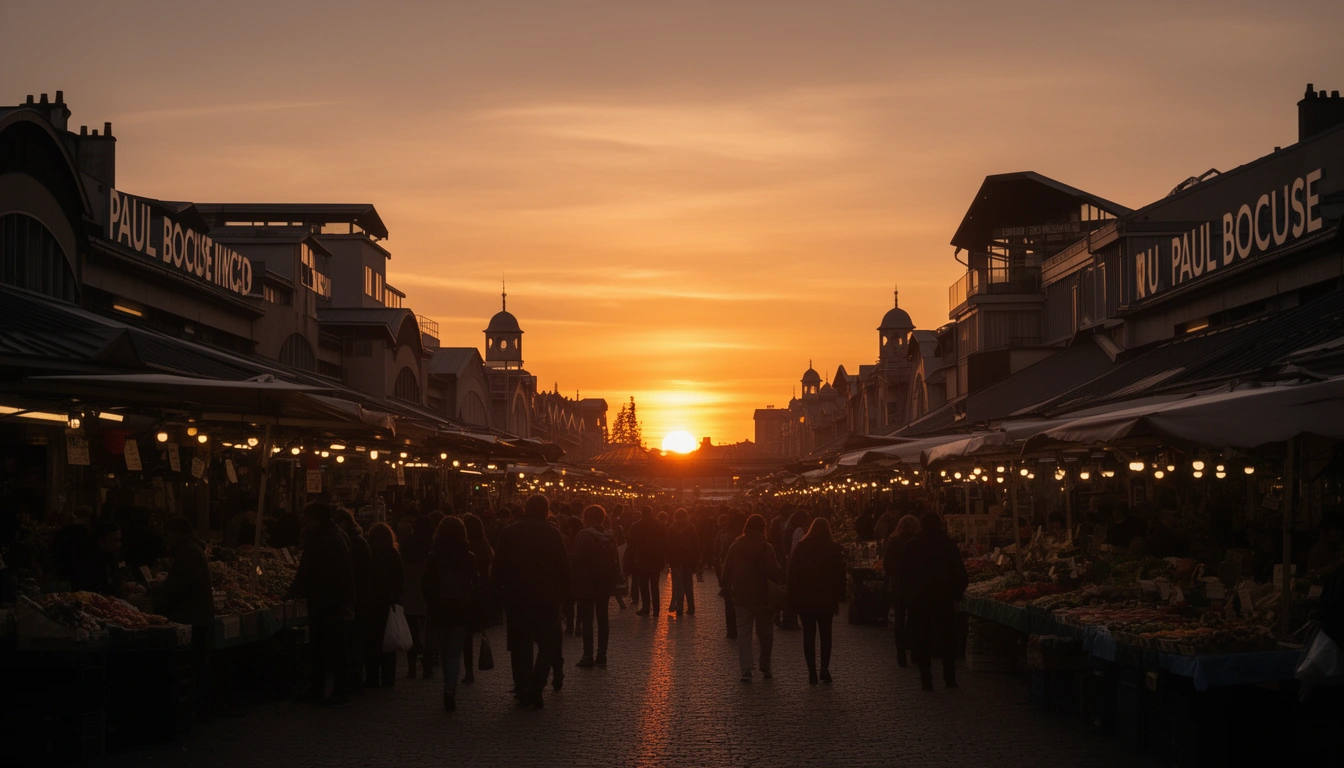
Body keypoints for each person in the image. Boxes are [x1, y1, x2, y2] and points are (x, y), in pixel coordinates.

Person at [492, 495, 571, 709]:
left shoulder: (509, 532)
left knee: (520, 645)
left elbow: (498, 566)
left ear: (526, 509)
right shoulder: (553, 533)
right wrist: (568, 597)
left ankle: (522, 686)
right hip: (547, 598)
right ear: (546, 511)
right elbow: (564, 568)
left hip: (517, 597)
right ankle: (536, 687)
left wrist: (494, 594)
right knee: (547, 645)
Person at [286, 502, 355, 705]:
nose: (305, 525)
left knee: (330, 648)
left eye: (307, 520)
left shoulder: (328, 539)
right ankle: (321, 688)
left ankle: (336, 690)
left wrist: (294, 591)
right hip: (326, 601)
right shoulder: (330, 537)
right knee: (324, 648)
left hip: (328, 602)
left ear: (317, 520)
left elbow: (316, 571)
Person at [899, 511, 968, 691]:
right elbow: (960, 572)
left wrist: (908, 597)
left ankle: (926, 677)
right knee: (947, 638)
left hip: (919, 600)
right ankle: (949, 677)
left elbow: (903, 575)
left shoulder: (912, 545)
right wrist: (956, 594)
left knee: (923, 639)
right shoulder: (948, 544)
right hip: (943, 598)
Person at [154, 516, 214, 719]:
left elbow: (179, 585)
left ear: (178, 532)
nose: (166, 539)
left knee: (196, 661)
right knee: (199, 661)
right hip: (197, 613)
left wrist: (158, 594)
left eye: (167, 534)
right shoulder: (191, 549)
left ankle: (199, 706)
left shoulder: (188, 552)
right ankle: (201, 705)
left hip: (191, 615)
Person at [422, 516, 480, 712]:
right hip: (461, 609)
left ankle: (448, 684)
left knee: (445, 650)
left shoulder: (433, 556)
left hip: (440, 609)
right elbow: (477, 583)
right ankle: (449, 688)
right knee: (455, 652)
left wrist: (431, 603)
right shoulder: (468, 556)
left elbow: (426, 585)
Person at [720, 514, 783, 683]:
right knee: (765, 634)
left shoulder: (735, 546)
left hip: (741, 596)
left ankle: (746, 669)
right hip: (763, 596)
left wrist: (727, 588)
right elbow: (775, 570)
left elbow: (726, 570)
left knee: (744, 633)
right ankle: (765, 665)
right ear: (763, 527)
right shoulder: (766, 547)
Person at [787, 517, 846, 685]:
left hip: (806, 598)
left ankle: (812, 672)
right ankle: (824, 670)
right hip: (827, 599)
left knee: (809, 635)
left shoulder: (801, 547)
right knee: (826, 635)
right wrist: (840, 595)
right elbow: (840, 574)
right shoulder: (833, 548)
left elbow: (792, 574)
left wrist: (791, 597)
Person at [571, 505, 619, 667]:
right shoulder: (610, 535)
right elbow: (616, 558)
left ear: (586, 517)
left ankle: (587, 655)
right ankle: (602, 654)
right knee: (603, 618)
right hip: (604, 582)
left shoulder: (583, 536)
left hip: (586, 583)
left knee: (587, 620)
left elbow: (576, 561)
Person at [335, 509, 371, 695]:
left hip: (355, 598)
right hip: (360, 597)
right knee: (355, 640)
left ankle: (353, 679)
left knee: (352, 640)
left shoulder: (350, 542)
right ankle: (356, 678)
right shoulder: (358, 540)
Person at [365, 522, 404, 687]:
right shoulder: (393, 553)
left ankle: (372, 678)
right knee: (389, 640)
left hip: (371, 602)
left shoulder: (369, 553)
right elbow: (400, 578)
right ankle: (388, 678)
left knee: (372, 641)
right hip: (388, 602)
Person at [885, 514, 922, 667]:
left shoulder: (894, 540)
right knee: (914, 619)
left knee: (899, 620)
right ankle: (914, 652)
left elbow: (886, 562)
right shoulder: (918, 541)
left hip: (897, 585)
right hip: (915, 585)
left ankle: (901, 655)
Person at [402, 515, 435, 679]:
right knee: (428, 629)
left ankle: (411, 666)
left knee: (412, 628)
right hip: (428, 589)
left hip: (410, 590)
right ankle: (428, 665)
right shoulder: (433, 544)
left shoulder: (408, 543)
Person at [462, 513, 494, 684]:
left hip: (466, 592)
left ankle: (467, 669)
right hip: (480, 592)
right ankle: (469, 670)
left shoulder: (464, 548)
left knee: (464, 635)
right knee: (471, 632)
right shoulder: (484, 545)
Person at [627, 506, 667, 617]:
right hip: (656, 559)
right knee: (655, 585)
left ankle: (645, 608)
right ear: (652, 512)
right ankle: (656, 609)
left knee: (644, 585)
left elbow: (631, 541)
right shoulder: (660, 525)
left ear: (642, 513)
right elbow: (665, 541)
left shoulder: (636, 526)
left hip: (642, 559)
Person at [71, 519, 121, 596]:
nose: (119, 544)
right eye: (115, 540)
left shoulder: (110, 557)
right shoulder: (88, 561)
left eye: (119, 540)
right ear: (101, 541)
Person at [667, 508, 700, 617]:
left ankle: (679, 609)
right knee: (688, 585)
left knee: (678, 585)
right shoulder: (690, 528)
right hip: (688, 561)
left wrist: (669, 561)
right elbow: (696, 545)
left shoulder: (672, 529)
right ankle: (691, 608)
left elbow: (668, 546)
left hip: (676, 561)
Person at [714, 514, 738, 639]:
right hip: (744, 576)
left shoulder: (723, 534)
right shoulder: (743, 535)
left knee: (729, 603)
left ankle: (731, 630)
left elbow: (717, 549)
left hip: (727, 571)